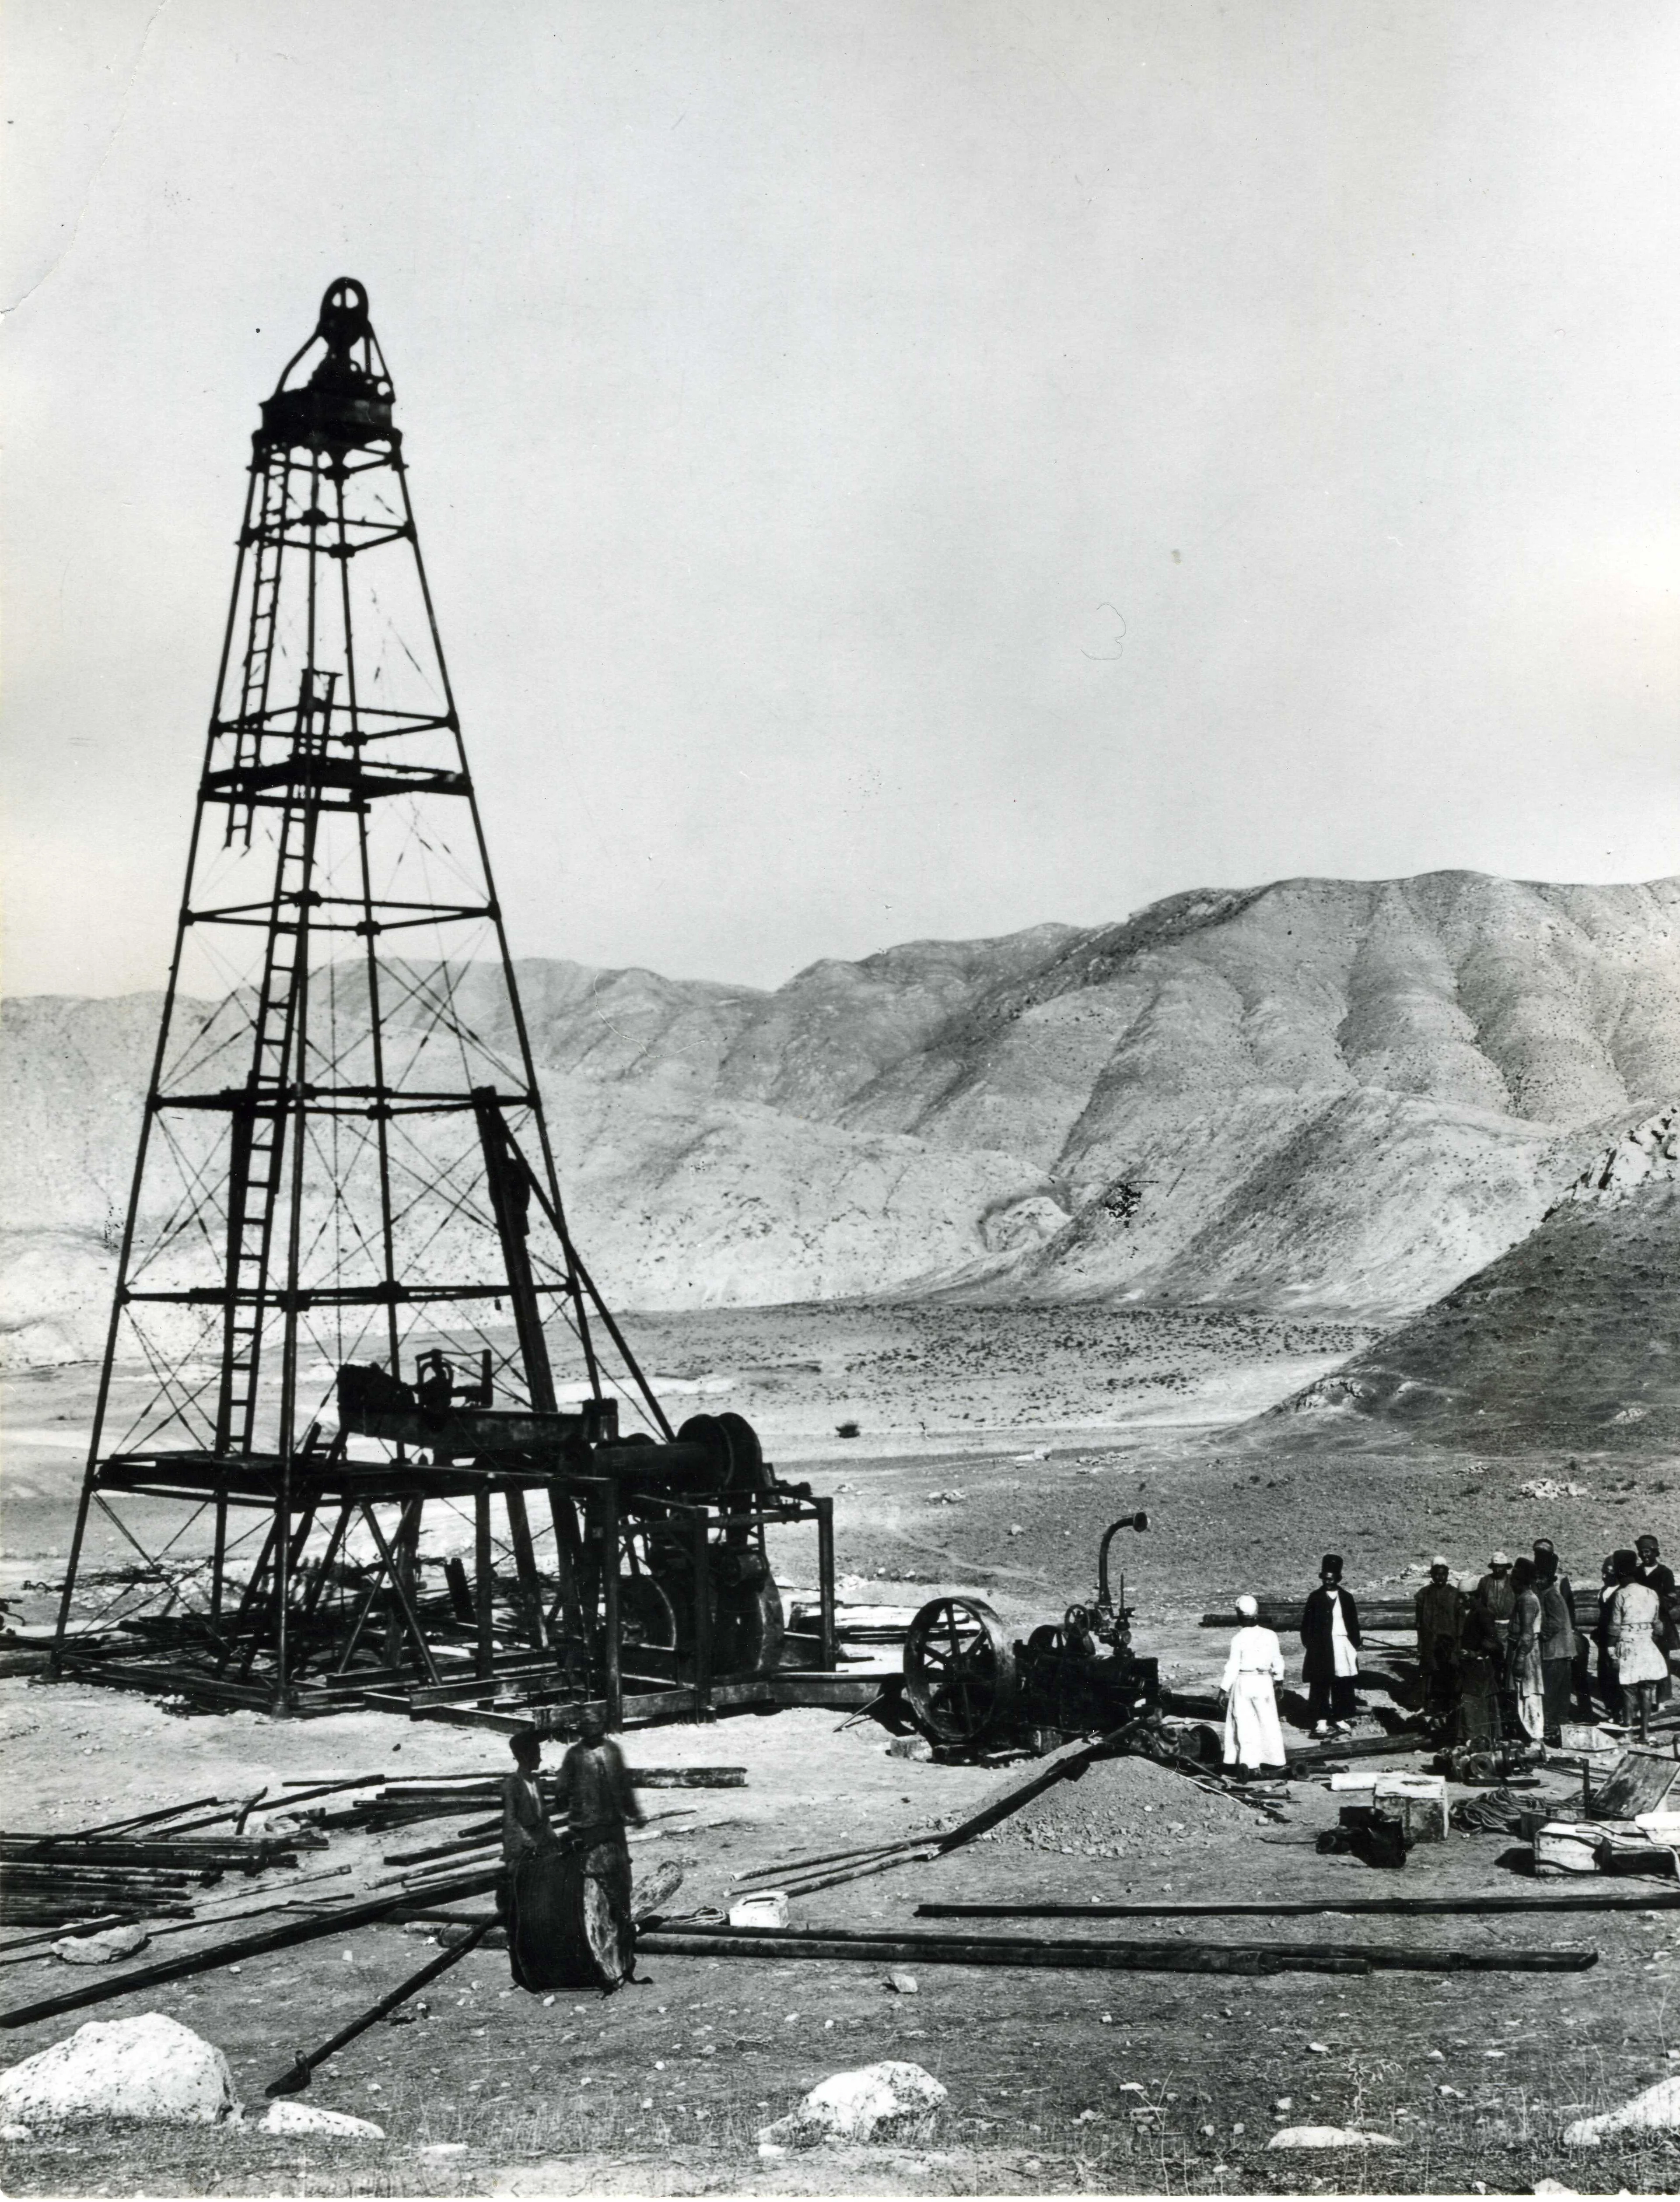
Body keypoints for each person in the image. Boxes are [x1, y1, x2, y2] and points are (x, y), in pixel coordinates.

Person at [556, 1706, 647, 1980]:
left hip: (614, 1825)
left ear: (603, 1726)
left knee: (620, 1879)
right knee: (591, 1883)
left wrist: (634, 1812)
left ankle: (624, 1938)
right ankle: (592, 1941)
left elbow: (624, 1784)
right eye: (585, 1724)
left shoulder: (614, 1751)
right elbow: (562, 1788)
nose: (590, 1728)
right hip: (588, 1827)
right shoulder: (574, 1755)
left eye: (594, 1724)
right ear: (580, 1729)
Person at [499, 1725, 557, 1978]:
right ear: (524, 1757)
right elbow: (511, 1822)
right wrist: (521, 1849)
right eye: (537, 1753)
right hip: (524, 1851)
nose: (541, 1758)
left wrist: (554, 1843)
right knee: (525, 1909)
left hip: (543, 1848)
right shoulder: (512, 1785)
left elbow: (544, 1819)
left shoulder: (536, 1782)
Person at [1220, 1595, 1287, 1776]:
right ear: (1257, 1614)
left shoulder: (1238, 1639)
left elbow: (1233, 1666)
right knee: (1267, 1721)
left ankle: (1250, 1763)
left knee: (1245, 1722)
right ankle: (1273, 1760)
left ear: (1239, 1616)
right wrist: (1279, 1682)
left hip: (1244, 1682)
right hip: (1264, 1682)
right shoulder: (1270, 1635)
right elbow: (1277, 1660)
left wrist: (1223, 1689)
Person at [1606, 1548, 1668, 1745]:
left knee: (1629, 1690)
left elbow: (1615, 1627)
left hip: (1628, 1645)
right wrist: (1648, 1640)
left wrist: (1610, 1651)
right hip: (1648, 1645)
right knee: (1647, 1689)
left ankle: (1628, 1732)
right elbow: (1658, 1626)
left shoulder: (1621, 1595)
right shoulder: (1651, 1593)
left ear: (1618, 1572)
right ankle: (1645, 1732)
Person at [1300, 1554, 1362, 1737]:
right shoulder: (1315, 1598)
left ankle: (1340, 1717)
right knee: (1321, 1683)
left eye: (1332, 1580)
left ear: (1338, 1579)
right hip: (1321, 1647)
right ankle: (1321, 1720)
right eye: (1325, 1579)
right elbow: (1306, 1626)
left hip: (1342, 1644)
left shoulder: (1347, 1598)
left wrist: (1355, 1643)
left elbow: (1354, 1624)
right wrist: (1312, 1646)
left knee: (1342, 1682)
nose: (1328, 1582)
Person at [1534, 1539, 1589, 1718]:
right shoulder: (1536, 1578)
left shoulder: (1556, 1586)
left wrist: (1543, 1634)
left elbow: (1562, 1615)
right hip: (1554, 1643)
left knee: (1557, 1685)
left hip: (1556, 1643)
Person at [1414, 1558, 1467, 1735]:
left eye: (1443, 1575)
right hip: (1430, 1641)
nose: (1440, 1578)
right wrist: (1421, 1642)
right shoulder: (1424, 1594)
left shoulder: (1455, 1594)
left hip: (1449, 1643)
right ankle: (1428, 1705)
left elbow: (1461, 1620)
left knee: (1449, 1673)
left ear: (1447, 1575)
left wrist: (1458, 1642)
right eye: (1436, 1575)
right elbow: (1419, 1622)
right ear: (1431, 1575)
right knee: (1430, 1672)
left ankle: (1448, 1706)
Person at [1533, 1546, 1577, 1746]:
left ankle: (1550, 1727)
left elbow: (1556, 1621)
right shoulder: (1548, 1594)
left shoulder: (1551, 1596)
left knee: (1551, 1692)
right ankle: (1559, 1727)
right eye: (1537, 1578)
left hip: (1554, 1650)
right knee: (1559, 1692)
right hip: (1560, 1650)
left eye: (1542, 1578)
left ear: (1549, 1579)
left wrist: (1539, 1634)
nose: (1538, 1581)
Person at [1505, 1556, 1546, 1744]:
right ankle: (1529, 1735)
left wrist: (1520, 1658)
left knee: (1528, 1694)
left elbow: (1527, 1634)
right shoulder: (1523, 1598)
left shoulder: (1528, 1600)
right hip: (1522, 1649)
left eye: (1514, 1579)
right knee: (1524, 1694)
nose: (1511, 1583)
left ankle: (1536, 1737)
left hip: (1527, 1652)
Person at [1456, 1595, 1505, 1750]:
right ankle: (1475, 1738)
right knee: (1473, 1700)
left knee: (1475, 1700)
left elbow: (1493, 1642)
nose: (1462, 1601)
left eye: (1464, 1597)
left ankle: (1478, 1738)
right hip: (1472, 1665)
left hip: (1479, 1666)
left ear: (1472, 1595)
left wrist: (1476, 1654)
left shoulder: (1483, 1613)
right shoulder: (1474, 1612)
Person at [1637, 1534, 1677, 1704]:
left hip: (1660, 1622)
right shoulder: (1636, 1572)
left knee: (1662, 1659)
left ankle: (1662, 1699)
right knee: (1642, 1659)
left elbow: (1671, 1598)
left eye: (1647, 1552)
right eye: (1641, 1553)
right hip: (1640, 1622)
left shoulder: (1665, 1573)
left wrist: (1654, 1606)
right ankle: (1643, 1699)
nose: (1644, 1556)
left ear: (1655, 1552)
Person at [1593, 1556, 1624, 1722]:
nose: (1605, 1577)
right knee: (1604, 1675)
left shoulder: (1622, 1592)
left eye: (1609, 1573)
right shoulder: (1604, 1591)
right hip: (1604, 1639)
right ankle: (1612, 1709)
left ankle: (1621, 1712)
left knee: (1618, 1676)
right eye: (1603, 1573)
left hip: (1617, 1640)